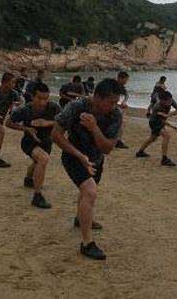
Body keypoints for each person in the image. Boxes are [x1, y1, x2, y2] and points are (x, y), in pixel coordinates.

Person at [52, 78, 125, 260]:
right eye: (111, 102)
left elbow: (107, 148)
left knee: (86, 192)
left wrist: (94, 128)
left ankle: (80, 219)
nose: (114, 105)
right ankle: (87, 244)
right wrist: (79, 155)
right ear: (97, 97)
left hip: (96, 159)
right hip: (73, 156)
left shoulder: (115, 115)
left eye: (116, 102)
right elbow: (56, 134)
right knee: (90, 192)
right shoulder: (76, 107)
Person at [7, 82, 61, 209]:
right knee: (43, 159)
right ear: (32, 97)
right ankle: (37, 196)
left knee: (38, 162)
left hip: (46, 142)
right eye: (40, 98)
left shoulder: (54, 108)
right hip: (29, 142)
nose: (43, 102)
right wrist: (26, 129)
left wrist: (46, 123)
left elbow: (63, 122)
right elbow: (8, 122)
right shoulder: (25, 109)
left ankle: (28, 178)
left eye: (46, 98)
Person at [135, 91, 177, 166]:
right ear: (162, 101)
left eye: (170, 100)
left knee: (153, 138)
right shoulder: (157, 107)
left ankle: (140, 152)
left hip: (160, 121)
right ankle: (164, 159)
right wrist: (169, 123)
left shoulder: (170, 100)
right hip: (155, 122)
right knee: (166, 136)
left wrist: (169, 115)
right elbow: (161, 121)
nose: (170, 102)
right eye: (167, 101)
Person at [114, 71, 130, 149]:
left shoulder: (121, 87)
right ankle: (118, 141)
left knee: (120, 123)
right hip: (110, 107)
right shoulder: (113, 86)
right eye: (125, 80)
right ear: (120, 78)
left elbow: (126, 94)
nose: (126, 82)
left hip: (115, 107)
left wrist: (123, 102)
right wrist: (119, 105)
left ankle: (118, 140)